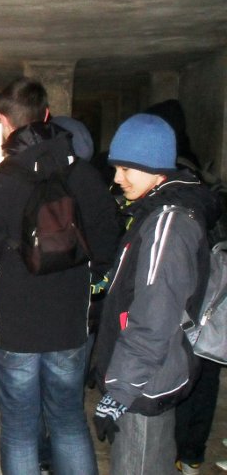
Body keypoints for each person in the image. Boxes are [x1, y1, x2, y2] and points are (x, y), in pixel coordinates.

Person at [0, 77, 119, 475]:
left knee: (19, 427)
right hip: (70, 324)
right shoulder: (85, 177)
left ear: (4, 121)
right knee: (68, 419)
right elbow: (107, 249)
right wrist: (89, 293)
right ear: (47, 115)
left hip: (14, 326)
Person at [91, 113, 220, 475]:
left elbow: (154, 315)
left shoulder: (168, 224)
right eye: (116, 168)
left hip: (145, 383)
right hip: (152, 373)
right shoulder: (159, 211)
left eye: (126, 169)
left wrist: (121, 390)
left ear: (155, 168)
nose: (117, 179)